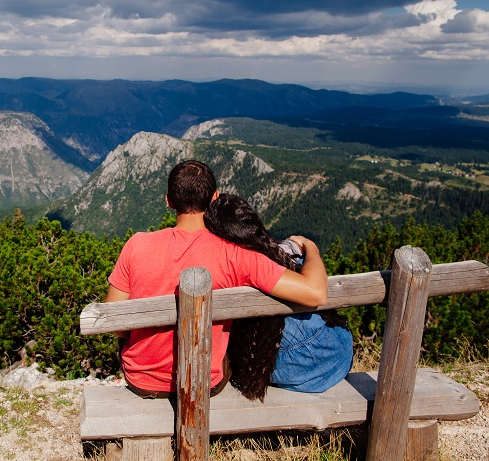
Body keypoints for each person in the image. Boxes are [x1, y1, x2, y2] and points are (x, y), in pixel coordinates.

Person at [105, 160, 330, 398]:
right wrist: (310, 247)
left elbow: (117, 326)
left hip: (142, 381)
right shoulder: (236, 254)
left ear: (168, 201)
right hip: (205, 384)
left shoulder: (136, 245)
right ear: (215, 197)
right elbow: (316, 292)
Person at [204, 193, 353, 400]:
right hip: (335, 353)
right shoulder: (265, 259)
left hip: (293, 363)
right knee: (298, 263)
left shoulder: (228, 265)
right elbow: (317, 293)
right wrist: (311, 247)